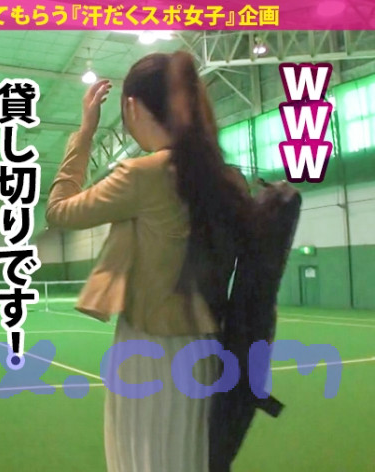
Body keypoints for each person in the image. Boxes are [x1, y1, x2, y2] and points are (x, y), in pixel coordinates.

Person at [46, 52, 251, 472]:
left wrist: (85, 132)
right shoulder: (227, 178)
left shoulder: (143, 174)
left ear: (133, 107)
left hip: (147, 353)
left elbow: (59, 210)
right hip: (207, 350)